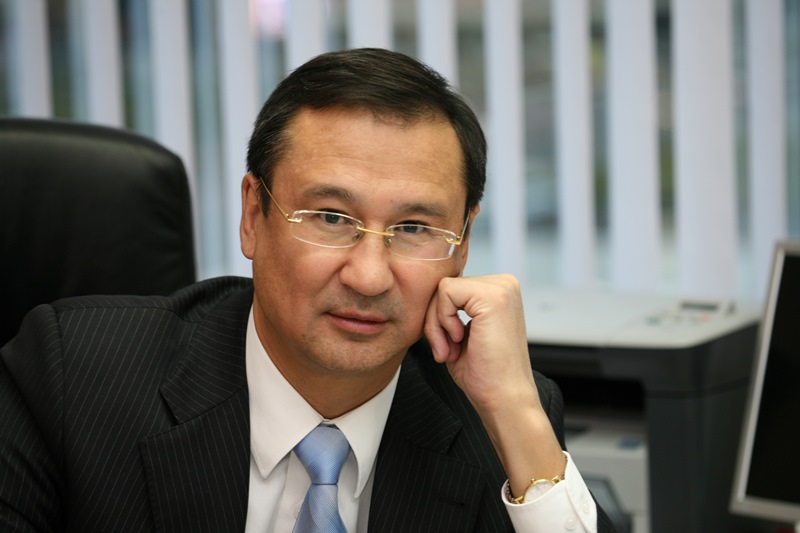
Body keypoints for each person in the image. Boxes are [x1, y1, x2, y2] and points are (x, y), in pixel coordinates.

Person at [0, 48, 615, 532]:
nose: (369, 277)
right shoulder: (72, 375)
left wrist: (517, 415)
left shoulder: (497, 417)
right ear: (253, 216)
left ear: (463, 243)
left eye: (412, 228)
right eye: (330, 217)